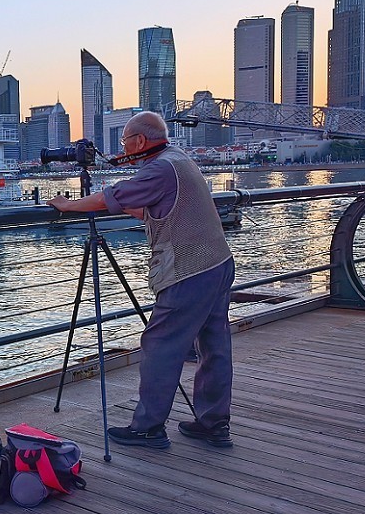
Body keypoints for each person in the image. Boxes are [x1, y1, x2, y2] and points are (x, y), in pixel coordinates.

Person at [47, 111, 235, 449]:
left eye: (125, 142)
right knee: (214, 346)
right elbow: (150, 205)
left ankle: (148, 427)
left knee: (160, 346)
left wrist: (67, 205)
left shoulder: (160, 168)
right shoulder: (177, 158)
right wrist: (114, 199)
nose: (123, 147)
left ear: (140, 141)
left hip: (190, 269)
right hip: (218, 262)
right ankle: (213, 424)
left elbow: (108, 199)